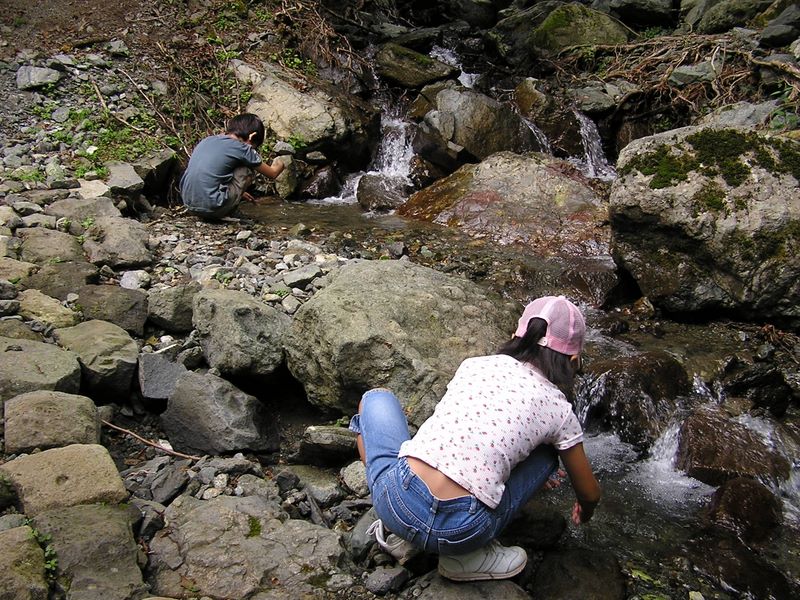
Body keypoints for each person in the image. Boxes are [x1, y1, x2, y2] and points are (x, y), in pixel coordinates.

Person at [349, 295, 601, 581]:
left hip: (397, 502)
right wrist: (585, 511)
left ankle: (396, 528)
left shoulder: (474, 365)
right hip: (464, 530)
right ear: (573, 360)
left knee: (376, 398)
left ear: (516, 336)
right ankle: (466, 558)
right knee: (549, 453)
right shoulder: (559, 410)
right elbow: (590, 493)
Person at [180, 113, 285, 220]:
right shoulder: (242, 148)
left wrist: (241, 193)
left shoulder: (207, 140)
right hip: (212, 208)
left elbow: (213, 173)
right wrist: (282, 161)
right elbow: (272, 173)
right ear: (252, 136)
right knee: (247, 168)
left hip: (189, 205)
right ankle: (227, 210)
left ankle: (221, 202)